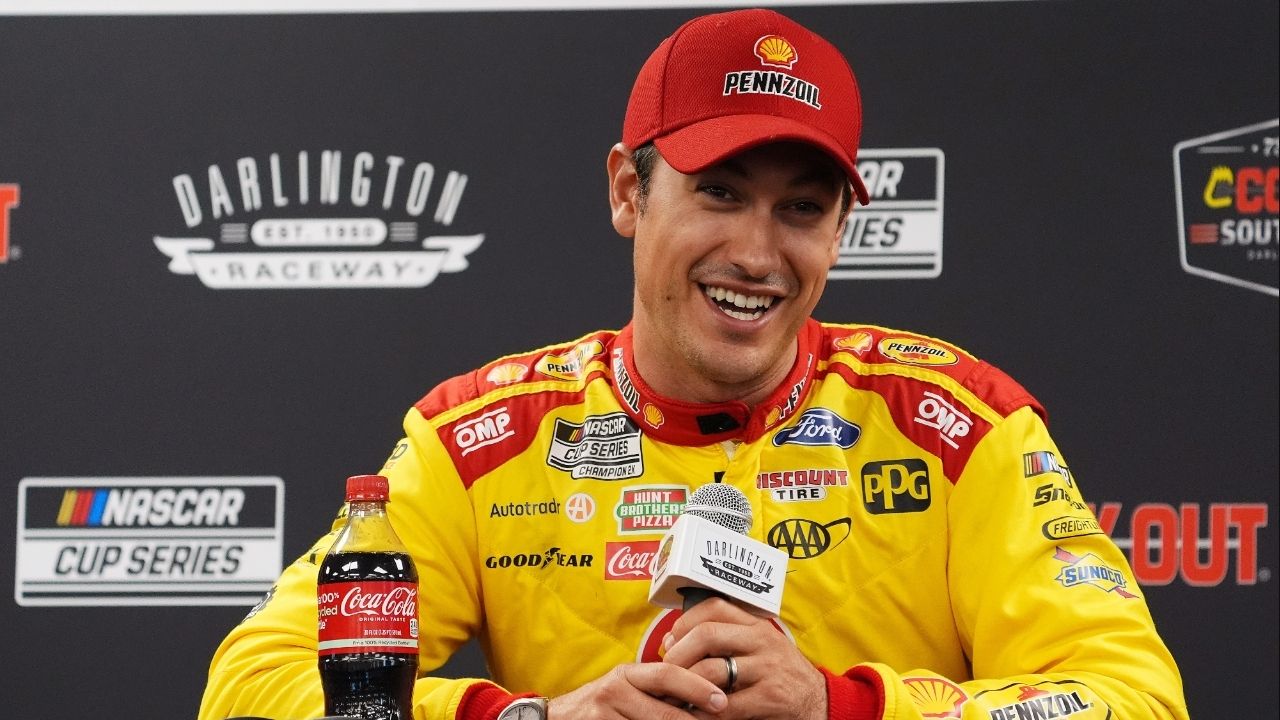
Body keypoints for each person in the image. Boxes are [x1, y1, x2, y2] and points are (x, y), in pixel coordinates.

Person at [199, 8, 1188, 720]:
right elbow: (252, 687)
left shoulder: (957, 426)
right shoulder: (477, 443)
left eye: (799, 208)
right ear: (627, 192)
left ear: (841, 230)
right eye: (718, 193)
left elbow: (1127, 698)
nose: (758, 254)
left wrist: (839, 708)